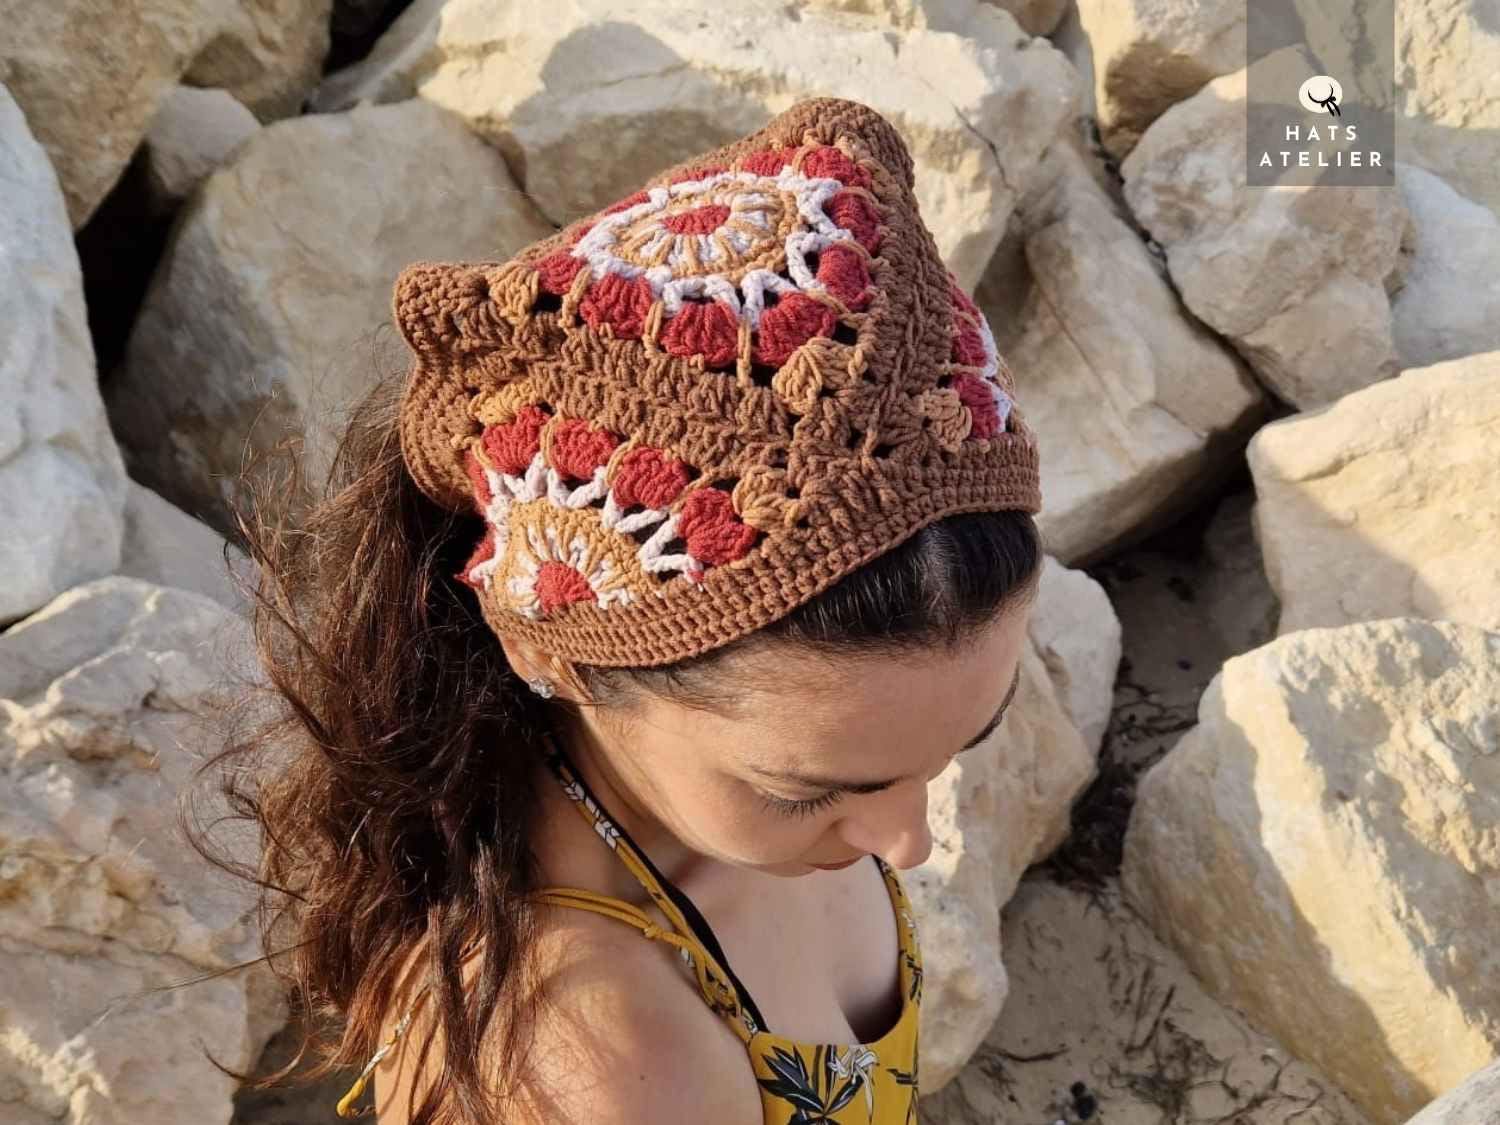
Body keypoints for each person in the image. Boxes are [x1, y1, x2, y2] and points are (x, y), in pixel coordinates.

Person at [210, 96, 1042, 1125]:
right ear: (567, 661)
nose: (910, 838)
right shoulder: (594, 1069)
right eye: (808, 791)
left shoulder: (722, 800)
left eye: (960, 743)